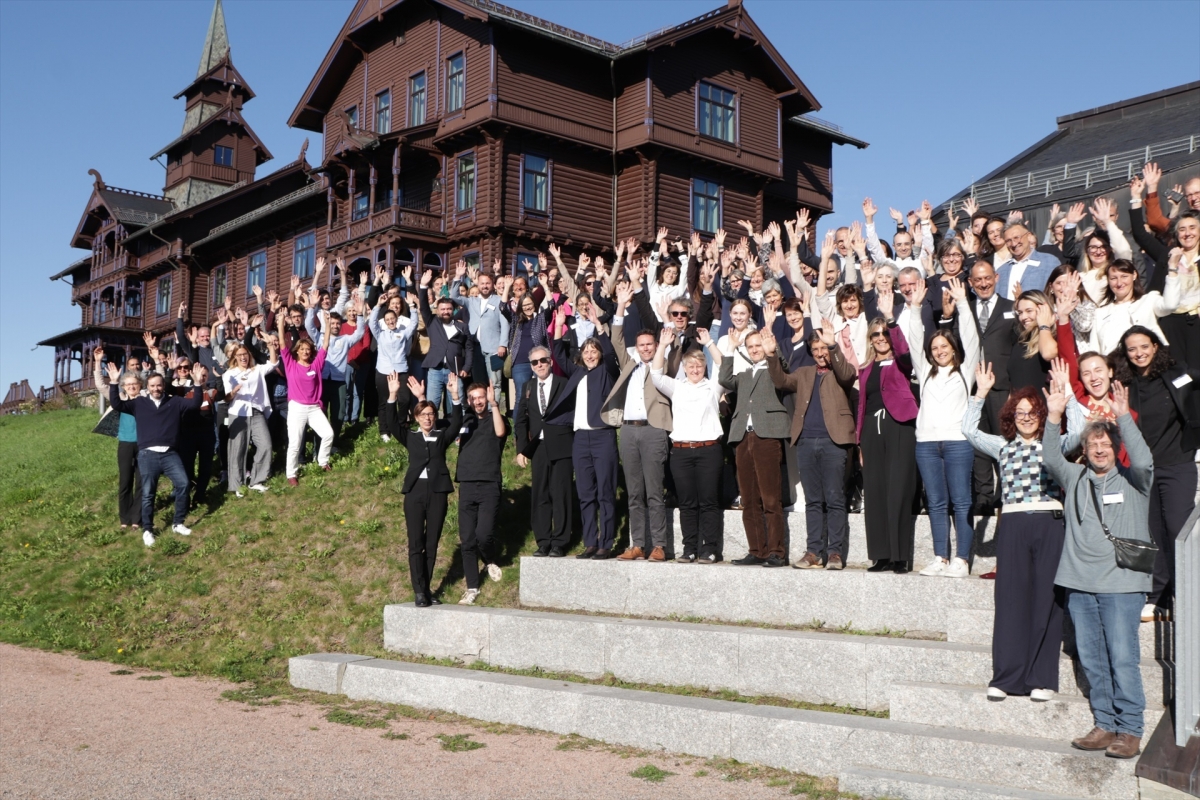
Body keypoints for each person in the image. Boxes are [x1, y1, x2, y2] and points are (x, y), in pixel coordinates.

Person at [1042, 380, 1154, 760]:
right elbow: (1052, 459)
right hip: (1079, 581)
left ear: (1115, 447)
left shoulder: (1134, 480)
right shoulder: (1075, 478)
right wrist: (1054, 416)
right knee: (1091, 656)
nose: (1100, 448)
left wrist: (1122, 416)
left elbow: (1143, 460)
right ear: (1085, 451)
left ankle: (1130, 729)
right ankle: (1105, 723)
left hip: (1122, 582)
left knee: (1122, 656)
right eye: (1093, 445)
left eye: (1106, 443)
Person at [965, 364, 1065, 702]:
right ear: (1011, 416)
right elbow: (968, 431)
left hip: (1050, 522)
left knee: (1046, 600)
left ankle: (1042, 679)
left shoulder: (1056, 442)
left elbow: (1079, 430)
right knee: (1009, 599)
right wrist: (979, 395)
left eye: (1032, 411)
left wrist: (1065, 401)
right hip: (1014, 524)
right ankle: (1006, 676)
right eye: (1019, 412)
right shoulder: (1002, 446)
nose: (1026, 417)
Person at [1113, 326, 1200, 620]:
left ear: (1155, 346)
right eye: (1132, 349)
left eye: (1144, 346)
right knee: (1151, 533)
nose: (1139, 353)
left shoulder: (1176, 373)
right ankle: (1159, 596)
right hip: (1143, 469)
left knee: (1177, 528)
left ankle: (1186, 592)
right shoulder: (1124, 384)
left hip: (1177, 463)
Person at [905, 277, 980, 577]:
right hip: (926, 445)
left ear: (952, 347)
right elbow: (913, 339)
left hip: (957, 443)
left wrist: (962, 303)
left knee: (961, 501)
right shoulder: (924, 372)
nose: (939, 351)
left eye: (944, 346)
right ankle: (941, 557)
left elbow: (971, 338)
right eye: (935, 347)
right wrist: (914, 309)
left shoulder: (964, 371)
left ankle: (961, 559)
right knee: (936, 503)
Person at [765, 324, 856, 569]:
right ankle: (814, 551)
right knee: (813, 500)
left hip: (833, 442)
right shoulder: (804, 373)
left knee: (835, 498)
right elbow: (781, 380)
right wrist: (771, 355)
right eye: (815, 349)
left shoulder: (839, 369)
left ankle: (835, 553)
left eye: (823, 347)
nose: (820, 353)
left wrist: (834, 345)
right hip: (805, 442)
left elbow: (849, 375)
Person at [605, 285, 673, 562]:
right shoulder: (629, 363)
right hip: (628, 430)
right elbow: (616, 337)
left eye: (650, 345)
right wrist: (621, 305)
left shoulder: (663, 365)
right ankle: (638, 544)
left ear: (656, 346)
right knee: (634, 492)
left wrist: (666, 324)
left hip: (653, 429)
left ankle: (659, 545)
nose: (645, 349)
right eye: (642, 345)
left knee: (655, 491)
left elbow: (672, 345)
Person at [105, 360, 203, 547]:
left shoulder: (174, 402)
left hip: (170, 454)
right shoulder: (138, 403)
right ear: (147, 388)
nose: (156, 388)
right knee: (148, 493)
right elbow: (117, 404)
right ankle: (148, 529)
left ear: (163, 386)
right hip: (147, 454)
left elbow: (195, 404)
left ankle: (178, 523)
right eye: (152, 386)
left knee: (183, 484)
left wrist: (197, 383)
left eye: (159, 385)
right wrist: (114, 382)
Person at [550, 305, 621, 560]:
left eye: (594, 351)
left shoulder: (607, 371)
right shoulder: (577, 372)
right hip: (580, 439)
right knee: (586, 494)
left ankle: (606, 542)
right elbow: (557, 354)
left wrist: (598, 326)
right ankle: (590, 542)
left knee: (605, 492)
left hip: (603, 436)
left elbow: (612, 353)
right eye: (586, 351)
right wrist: (558, 326)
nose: (590, 354)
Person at [715, 329, 790, 567]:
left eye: (758, 345)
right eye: (751, 347)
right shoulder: (744, 374)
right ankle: (757, 549)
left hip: (766, 436)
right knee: (748, 499)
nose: (755, 349)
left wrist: (772, 351)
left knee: (770, 497)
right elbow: (725, 380)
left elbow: (783, 371)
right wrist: (730, 349)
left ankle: (776, 551)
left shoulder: (773, 368)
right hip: (743, 437)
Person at [651, 327, 725, 563]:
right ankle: (690, 548)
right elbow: (655, 375)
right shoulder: (677, 387)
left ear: (704, 368)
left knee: (709, 501)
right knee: (687, 503)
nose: (695, 370)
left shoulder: (712, 387)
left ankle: (710, 548)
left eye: (699, 366)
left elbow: (723, 367)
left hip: (708, 450)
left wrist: (710, 343)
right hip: (681, 452)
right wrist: (662, 345)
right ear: (684, 368)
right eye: (691, 366)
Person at [857, 314, 919, 572]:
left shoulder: (902, 363)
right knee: (875, 492)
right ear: (870, 339)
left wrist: (892, 323)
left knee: (898, 491)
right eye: (876, 334)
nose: (881, 338)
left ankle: (899, 556)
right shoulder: (865, 368)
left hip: (899, 427)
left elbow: (904, 351)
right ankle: (881, 555)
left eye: (884, 333)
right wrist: (859, 440)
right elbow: (862, 405)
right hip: (872, 430)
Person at [397, 373, 462, 607]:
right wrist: (395, 396)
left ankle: (426, 588)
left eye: (431, 414)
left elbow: (456, 423)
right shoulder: (410, 437)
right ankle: (418, 591)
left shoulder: (441, 436)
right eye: (424, 415)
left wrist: (454, 396)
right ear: (416, 417)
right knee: (416, 543)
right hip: (414, 493)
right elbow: (394, 424)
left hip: (437, 492)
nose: (428, 418)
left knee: (432, 543)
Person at [514, 346, 575, 558]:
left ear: (550, 362)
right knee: (540, 495)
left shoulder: (564, 383)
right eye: (534, 362)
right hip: (537, 448)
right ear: (531, 366)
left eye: (543, 360)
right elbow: (521, 420)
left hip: (562, 446)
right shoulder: (528, 386)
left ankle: (560, 541)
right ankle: (543, 541)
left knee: (561, 494)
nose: (539, 365)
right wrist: (522, 449)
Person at [455, 382, 507, 605]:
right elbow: (443, 427)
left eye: (481, 397)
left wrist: (495, 404)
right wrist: (454, 396)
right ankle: (472, 587)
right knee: (467, 540)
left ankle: (489, 559)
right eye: (474, 398)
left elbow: (500, 432)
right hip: (466, 485)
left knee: (484, 535)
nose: (478, 401)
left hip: (489, 484)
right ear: (469, 401)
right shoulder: (465, 421)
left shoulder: (495, 417)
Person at [278, 308, 334, 486]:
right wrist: (280, 324)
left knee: (328, 434)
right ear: (297, 351)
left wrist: (326, 324)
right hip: (296, 408)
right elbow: (281, 344)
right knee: (295, 443)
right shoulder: (290, 364)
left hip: (314, 407)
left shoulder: (316, 365)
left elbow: (325, 346)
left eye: (308, 349)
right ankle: (291, 474)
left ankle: (323, 461)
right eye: (302, 349)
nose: (306, 352)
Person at [450, 261, 510, 412]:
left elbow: (505, 324)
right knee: (479, 381)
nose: (485, 286)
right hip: (475, 347)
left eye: (488, 283)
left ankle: (493, 411)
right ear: (478, 284)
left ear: (493, 285)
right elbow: (454, 295)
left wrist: (503, 344)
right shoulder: (472, 301)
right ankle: (481, 411)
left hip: (494, 348)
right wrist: (458, 276)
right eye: (482, 283)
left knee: (494, 382)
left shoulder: (499, 301)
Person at [93, 347, 142, 530]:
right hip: (126, 444)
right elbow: (101, 386)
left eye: (134, 384)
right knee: (125, 481)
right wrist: (98, 362)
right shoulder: (119, 398)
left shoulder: (146, 399)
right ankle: (125, 518)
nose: (131, 387)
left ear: (140, 385)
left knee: (142, 482)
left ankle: (137, 518)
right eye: (127, 384)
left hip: (144, 444)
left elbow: (161, 384)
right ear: (123, 386)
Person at [223, 339, 279, 497]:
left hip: (256, 413)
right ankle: (237, 485)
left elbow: (273, 364)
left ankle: (257, 480)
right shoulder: (229, 374)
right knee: (238, 450)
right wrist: (233, 392)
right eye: (239, 355)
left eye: (245, 354)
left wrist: (271, 347)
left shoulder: (257, 370)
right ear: (234, 357)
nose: (243, 357)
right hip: (238, 413)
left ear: (249, 355)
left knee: (266, 445)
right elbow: (227, 398)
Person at [1091, 259, 1179, 358]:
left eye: (1124, 276)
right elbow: (1094, 350)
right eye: (1113, 278)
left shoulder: (1148, 300)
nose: (1119, 283)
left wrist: (1172, 268)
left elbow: (1170, 305)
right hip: (1115, 366)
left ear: (1134, 275)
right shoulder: (1100, 313)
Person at [368, 290, 419, 442]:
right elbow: (371, 322)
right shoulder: (380, 333)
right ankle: (384, 430)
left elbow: (414, 323)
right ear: (385, 321)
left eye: (392, 318)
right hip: (383, 372)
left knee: (404, 400)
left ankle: (401, 425)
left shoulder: (403, 333)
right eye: (388, 319)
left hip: (401, 370)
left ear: (396, 319)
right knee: (384, 401)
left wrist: (412, 305)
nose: (390, 321)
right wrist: (378, 305)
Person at [419, 271, 473, 414]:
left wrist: (466, 368)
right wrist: (423, 286)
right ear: (437, 311)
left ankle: (459, 432)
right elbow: (423, 306)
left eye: (449, 309)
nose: (446, 312)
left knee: (457, 403)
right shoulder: (432, 322)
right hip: (435, 370)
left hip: (454, 371)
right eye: (442, 309)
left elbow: (469, 349)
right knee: (432, 404)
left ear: (453, 310)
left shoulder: (462, 326)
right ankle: (432, 431)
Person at [996, 223, 1060, 300]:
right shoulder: (1001, 271)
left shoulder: (1049, 262)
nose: (1013, 243)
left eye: (1016, 237)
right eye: (1008, 241)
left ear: (1029, 236)